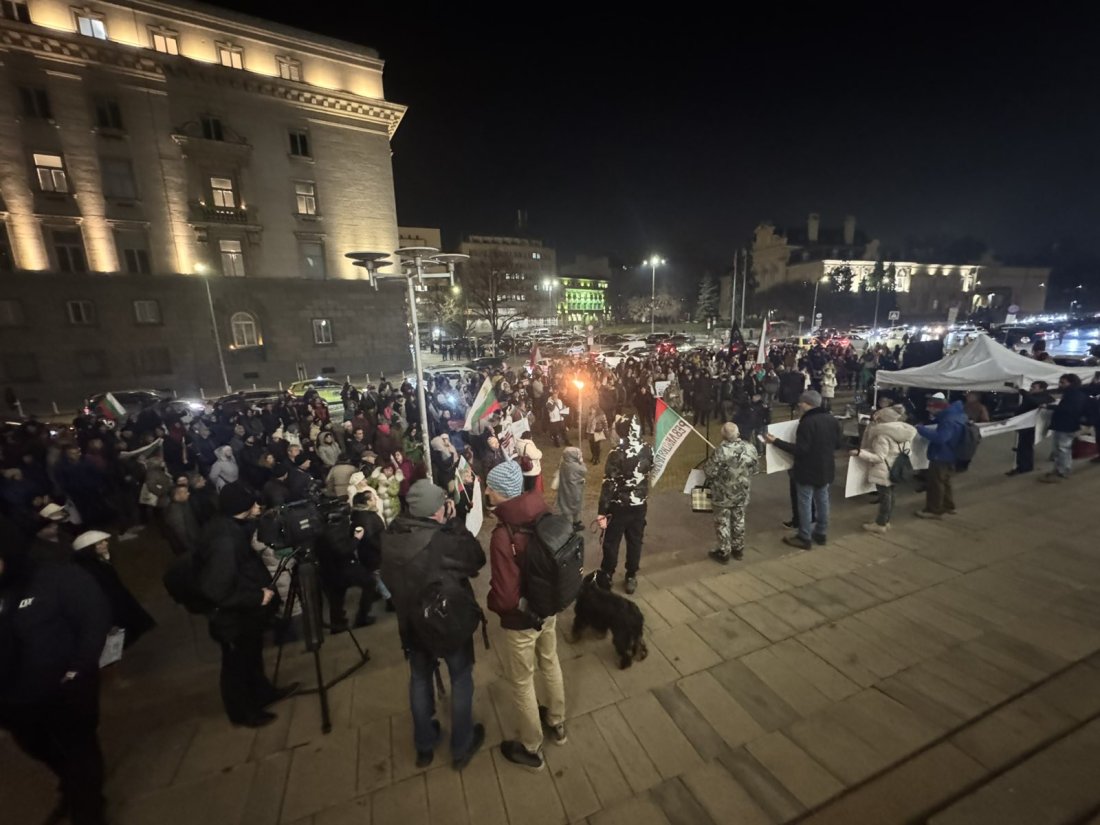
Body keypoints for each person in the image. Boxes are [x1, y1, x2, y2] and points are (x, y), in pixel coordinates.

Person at [0, 520, 112, 825]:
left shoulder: (57, 577)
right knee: (41, 749)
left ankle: (88, 809)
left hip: (65, 696)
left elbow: (93, 619)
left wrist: (78, 670)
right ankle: (73, 787)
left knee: (80, 752)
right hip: (15, 706)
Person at [380, 480, 487, 770]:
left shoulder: (391, 535)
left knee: (419, 678)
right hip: (445, 623)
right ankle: (461, 745)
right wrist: (454, 525)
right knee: (461, 678)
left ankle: (425, 745)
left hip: (412, 625)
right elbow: (476, 559)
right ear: (435, 512)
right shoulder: (441, 540)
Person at [485, 460, 567, 771]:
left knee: (522, 681)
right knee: (550, 661)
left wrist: (492, 602)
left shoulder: (503, 535)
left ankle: (532, 749)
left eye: (491, 487)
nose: (487, 491)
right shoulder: (541, 512)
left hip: (522, 621)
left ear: (504, 492)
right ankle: (557, 723)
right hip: (548, 608)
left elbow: (506, 597)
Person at [199, 482, 296, 727]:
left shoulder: (232, 528)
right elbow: (216, 588)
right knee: (237, 666)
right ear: (241, 507)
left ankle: (262, 694)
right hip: (232, 619)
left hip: (245, 616)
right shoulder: (225, 540)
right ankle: (243, 712)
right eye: (253, 503)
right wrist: (255, 597)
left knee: (251, 656)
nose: (258, 506)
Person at [766, 390, 841, 549]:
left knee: (805, 503)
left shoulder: (807, 423)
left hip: (807, 469)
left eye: (801, 402)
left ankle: (804, 536)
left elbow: (801, 450)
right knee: (823, 501)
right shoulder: (832, 420)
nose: (799, 405)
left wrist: (776, 441)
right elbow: (838, 445)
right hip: (826, 467)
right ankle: (821, 533)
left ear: (807, 404)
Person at [597, 417, 653, 594]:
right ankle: (631, 575)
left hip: (619, 507)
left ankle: (607, 574)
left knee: (611, 542)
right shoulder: (647, 449)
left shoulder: (616, 453)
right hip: (639, 505)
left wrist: (601, 512)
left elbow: (609, 484)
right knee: (635, 541)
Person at [71, 530, 155, 649]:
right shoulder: (90, 569)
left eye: (104, 541)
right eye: (99, 543)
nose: (105, 544)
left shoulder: (98, 561)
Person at [850, 406, 916, 533]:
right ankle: (886, 520)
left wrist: (859, 453)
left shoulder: (882, 436)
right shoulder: (904, 432)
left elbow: (879, 457)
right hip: (897, 468)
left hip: (884, 470)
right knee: (891, 495)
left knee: (885, 497)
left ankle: (880, 523)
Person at [704, 422, 759, 564]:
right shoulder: (750, 448)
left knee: (722, 522)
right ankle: (738, 549)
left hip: (722, 494)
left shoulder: (721, 450)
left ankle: (724, 551)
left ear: (723, 434)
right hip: (742, 492)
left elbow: (710, 472)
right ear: (738, 433)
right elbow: (755, 469)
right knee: (739, 520)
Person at [914, 393, 967, 518]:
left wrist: (921, 429)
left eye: (930, 407)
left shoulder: (948, 420)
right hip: (953, 454)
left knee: (935, 483)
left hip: (942, 455)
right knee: (946, 481)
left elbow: (941, 437)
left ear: (938, 407)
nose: (928, 409)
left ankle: (934, 509)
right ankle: (948, 505)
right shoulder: (956, 414)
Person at [1041, 373, 1086, 483]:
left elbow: (1066, 409)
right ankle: (1058, 470)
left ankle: (1063, 471)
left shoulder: (1073, 394)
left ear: (1071, 383)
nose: (1060, 384)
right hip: (1065, 425)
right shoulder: (1073, 393)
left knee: (1063, 449)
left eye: (1063, 382)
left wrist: (1049, 407)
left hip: (1066, 426)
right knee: (1059, 449)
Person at [1006, 381, 1053, 476]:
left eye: (1034, 387)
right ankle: (1025, 466)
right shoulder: (1037, 396)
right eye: (1031, 387)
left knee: (1024, 447)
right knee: (1024, 447)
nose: (1031, 388)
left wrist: (1022, 391)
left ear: (1041, 389)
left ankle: (1023, 467)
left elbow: (1033, 401)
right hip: (1025, 425)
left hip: (1030, 426)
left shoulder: (1043, 397)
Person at [555, 446, 586, 532]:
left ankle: (572, 523)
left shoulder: (564, 463)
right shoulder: (575, 466)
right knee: (574, 506)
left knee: (566, 505)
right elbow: (584, 471)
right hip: (574, 490)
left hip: (565, 488)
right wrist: (581, 462)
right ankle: (571, 526)